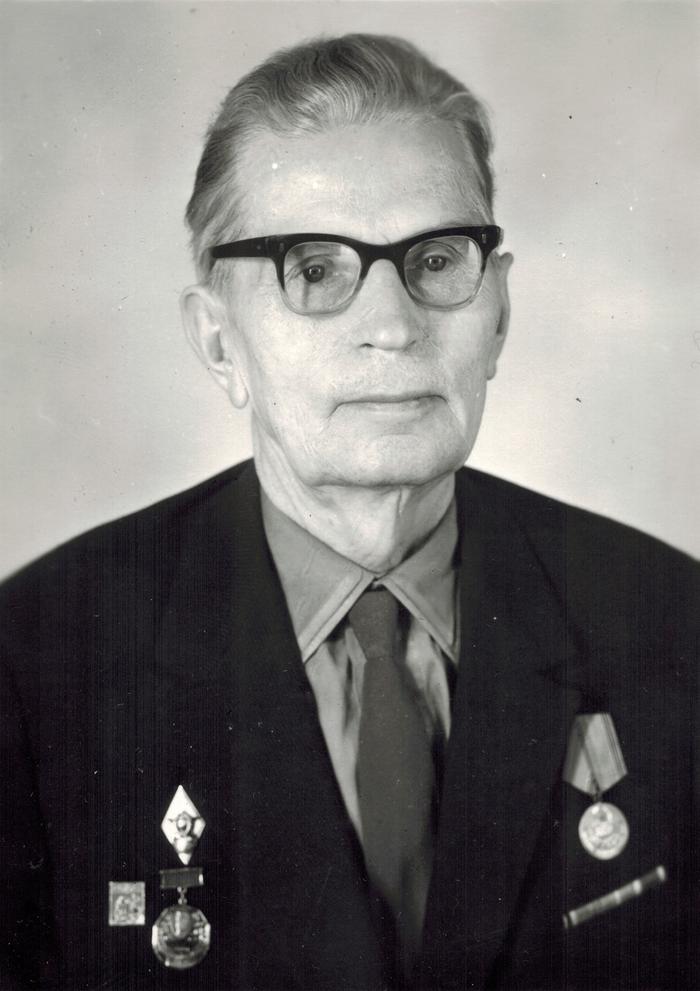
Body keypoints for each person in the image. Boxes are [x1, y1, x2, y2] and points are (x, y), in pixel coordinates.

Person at [0, 33, 697, 991]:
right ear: (220, 343)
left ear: (498, 313)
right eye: (316, 270)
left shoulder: (671, 620)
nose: (394, 326)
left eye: (437, 259)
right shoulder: (35, 665)